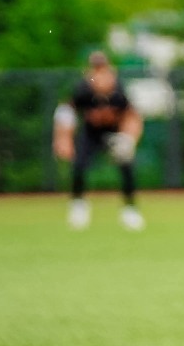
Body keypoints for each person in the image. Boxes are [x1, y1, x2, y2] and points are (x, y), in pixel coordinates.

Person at [53, 52, 144, 231]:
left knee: (127, 167)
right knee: (79, 165)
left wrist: (129, 139)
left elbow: (132, 116)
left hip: (114, 133)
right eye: (96, 69)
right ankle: (78, 205)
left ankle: (130, 209)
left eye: (103, 69)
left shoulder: (119, 90)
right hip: (90, 133)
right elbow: (66, 111)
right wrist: (63, 139)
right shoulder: (83, 89)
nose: (100, 74)